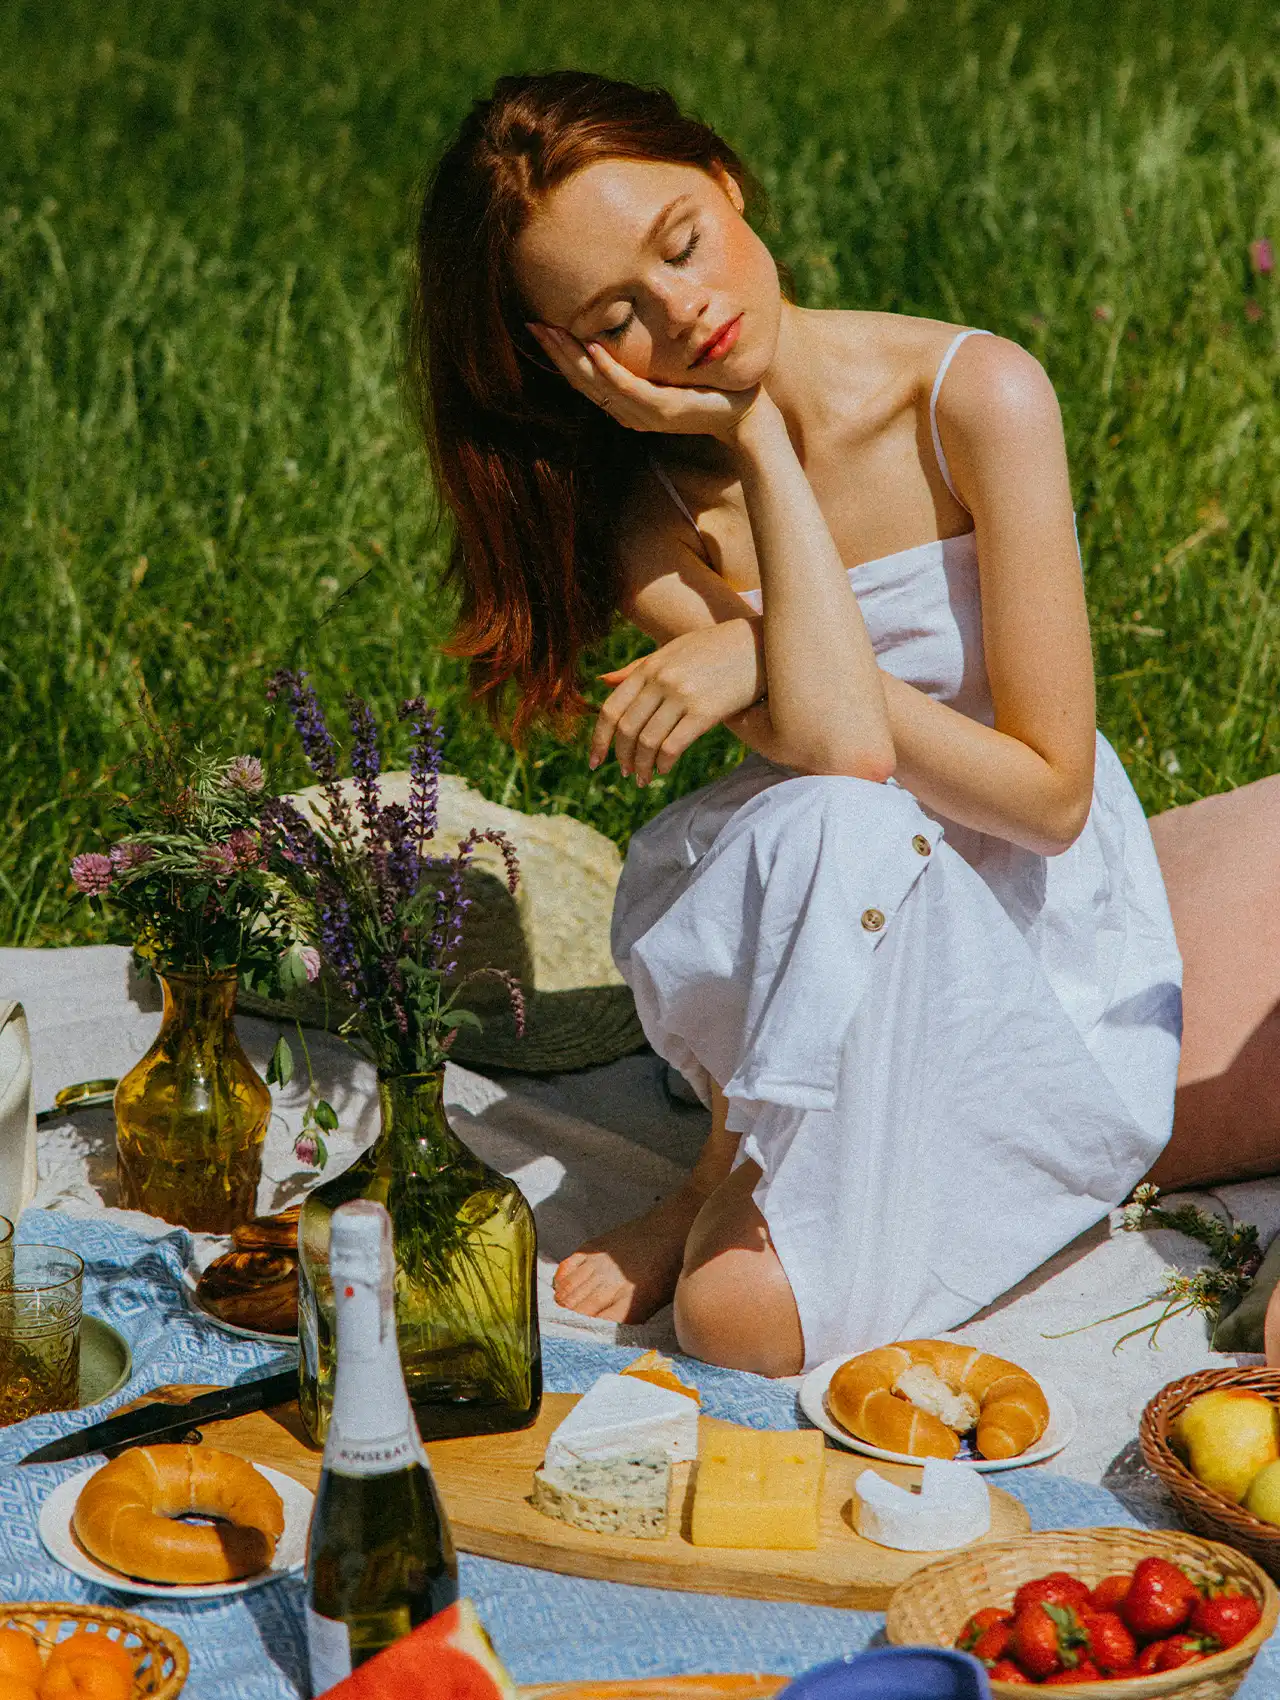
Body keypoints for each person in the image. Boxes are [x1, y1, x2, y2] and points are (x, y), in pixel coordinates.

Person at [407, 69, 1186, 1378]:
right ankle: (732, 1155)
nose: (686, 314)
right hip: (841, 918)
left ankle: (755, 1169)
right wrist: (760, 448)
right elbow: (845, 760)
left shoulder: (979, 399)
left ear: (724, 180)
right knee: (828, 816)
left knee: (730, 1318)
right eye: (619, 316)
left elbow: (1048, 800)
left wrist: (754, 640)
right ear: (566, 361)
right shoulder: (650, 511)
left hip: (1034, 952)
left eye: (682, 244)